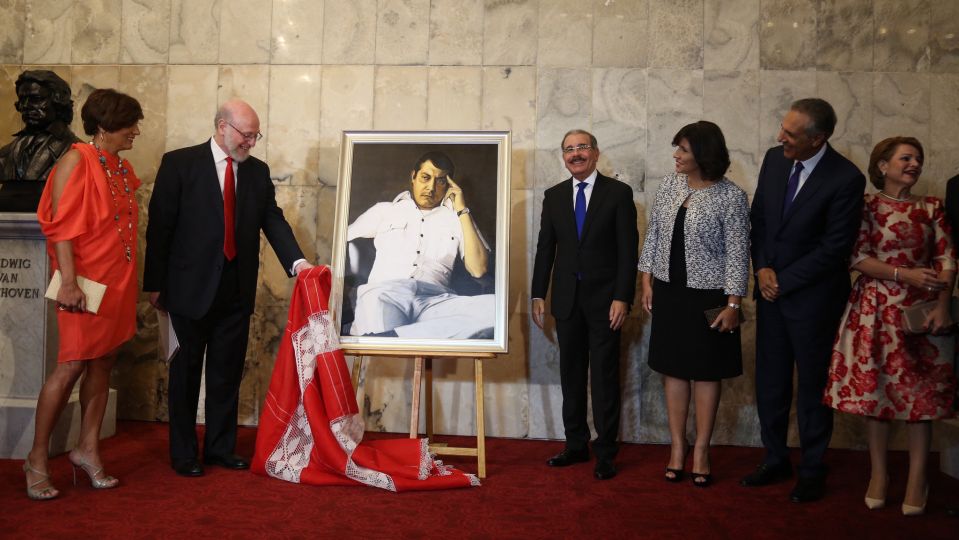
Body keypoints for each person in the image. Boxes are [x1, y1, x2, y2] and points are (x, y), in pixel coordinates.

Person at [144, 99, 313, 477]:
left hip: (235, 292)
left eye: (256, 136)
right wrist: (154, 284)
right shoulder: (179, 164)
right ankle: (184, 453)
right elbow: (159, 228)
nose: (251, 143)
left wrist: (298, 263)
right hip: (188, 290)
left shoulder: (256, 172)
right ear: (222, 126)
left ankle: (220, 448)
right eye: (246, 135)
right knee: (185, 376)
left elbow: (273, 220)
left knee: (226, 374)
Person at [825, 137, 957, 515]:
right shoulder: (866, 205)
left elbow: (947, 257)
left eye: (919, 157)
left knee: (921, 398)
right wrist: (905, 275)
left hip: (923, 313)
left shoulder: (932, 206)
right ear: (882, 166)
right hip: (875, 309)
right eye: (906, 157)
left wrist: (943, 305)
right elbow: (857, 256)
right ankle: (879, 475)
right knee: (876, 395)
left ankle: (918, 478)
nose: (914, 163)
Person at [745, 98, 866, 502]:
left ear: (819, 139)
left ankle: (813, 468)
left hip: (814, 301)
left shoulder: (846, 178)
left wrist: (782, 281)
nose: (781, 138)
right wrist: (761, 268)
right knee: (771, 383)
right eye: (783, 128)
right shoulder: (774, 160)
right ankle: (775, 457)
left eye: (791, 134)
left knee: (814, 388)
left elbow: (835, 249)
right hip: (770, 294)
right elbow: (759, 218)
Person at [24, 88, 143, 500]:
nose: (136, 132)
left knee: (103, 362)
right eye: (130, 124)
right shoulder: (76, 160)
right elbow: (60, 229)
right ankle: (37, 458)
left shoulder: (120, 166)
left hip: (117, 283)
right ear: (106, 125)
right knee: (71, 365)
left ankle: (87, 450)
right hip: (83, 283)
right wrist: (69, 282)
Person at [638, 121, 749, 487]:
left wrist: (733, 303)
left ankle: (701, 449)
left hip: (712, 296)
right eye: (677, 148)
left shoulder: (731, 196)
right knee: (673, 369)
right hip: (669, 291)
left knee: (705, 371)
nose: (677, 156)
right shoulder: (670, 185)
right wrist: (646, 279)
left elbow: (738, 253)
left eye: (683, 150)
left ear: (704, 154)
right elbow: (654, 233)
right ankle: (676, 448)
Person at [531, 129, 638, 480]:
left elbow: (627, 251)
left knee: (605, 378)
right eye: (568, 149)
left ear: (595, 152)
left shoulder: (619, 194)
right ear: (563, 157)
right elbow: (546, 248)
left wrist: (623, 296)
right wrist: (537, 294)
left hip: (607, 303)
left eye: (581, 148)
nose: (575, 154)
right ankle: (575, 445)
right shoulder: (554, 196)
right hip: (566, 302)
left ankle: (605, 451)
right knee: (571, 376)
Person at [345, 151, 494, 339]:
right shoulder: (385, 210)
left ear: (448, 186)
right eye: (425, 177)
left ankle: (394, 336)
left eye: (440, 181)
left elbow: (478, 269)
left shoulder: (457, 218)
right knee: (373, 301)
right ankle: (415, 335)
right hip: (386, 294)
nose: (431, 187)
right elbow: (342, 241)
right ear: (413, 176)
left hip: (436, 300)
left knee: (495, 309)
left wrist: (462, 210)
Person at [0, 70, 80, 182]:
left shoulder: (76, 151)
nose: (26, 106)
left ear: (58, 101)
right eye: (22, 100)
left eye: (36, 99)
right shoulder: (5, 154)